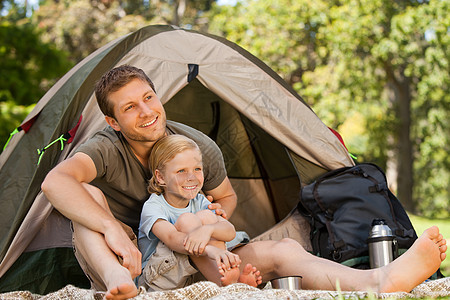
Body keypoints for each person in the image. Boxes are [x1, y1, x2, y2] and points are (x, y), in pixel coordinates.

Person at [41, 65, 447, 300]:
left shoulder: (194, 147)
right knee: (85, 196)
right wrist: (113, 228)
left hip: (206, 261)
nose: (147, 111)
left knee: (284, 247)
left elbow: (226, 199)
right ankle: (118, 286)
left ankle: (379, 281)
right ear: (114, 122)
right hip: (138, 267)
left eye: (149, 97)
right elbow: (55, 183)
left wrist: (213, 222)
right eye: (130, 107)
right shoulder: (107, 147)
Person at [137, 134, 262, 290]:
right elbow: (172, 237)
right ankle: (229, 285)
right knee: (187, 220)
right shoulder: (154, 207)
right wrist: (211, 250)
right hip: (159, 279)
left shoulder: (200, 201)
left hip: (194, 274)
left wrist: (207, 230)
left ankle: (227, 281)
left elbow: (229, 231)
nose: (191, 177)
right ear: (161, 177)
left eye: (197, 169)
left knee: (207, 217)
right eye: (181, 171)